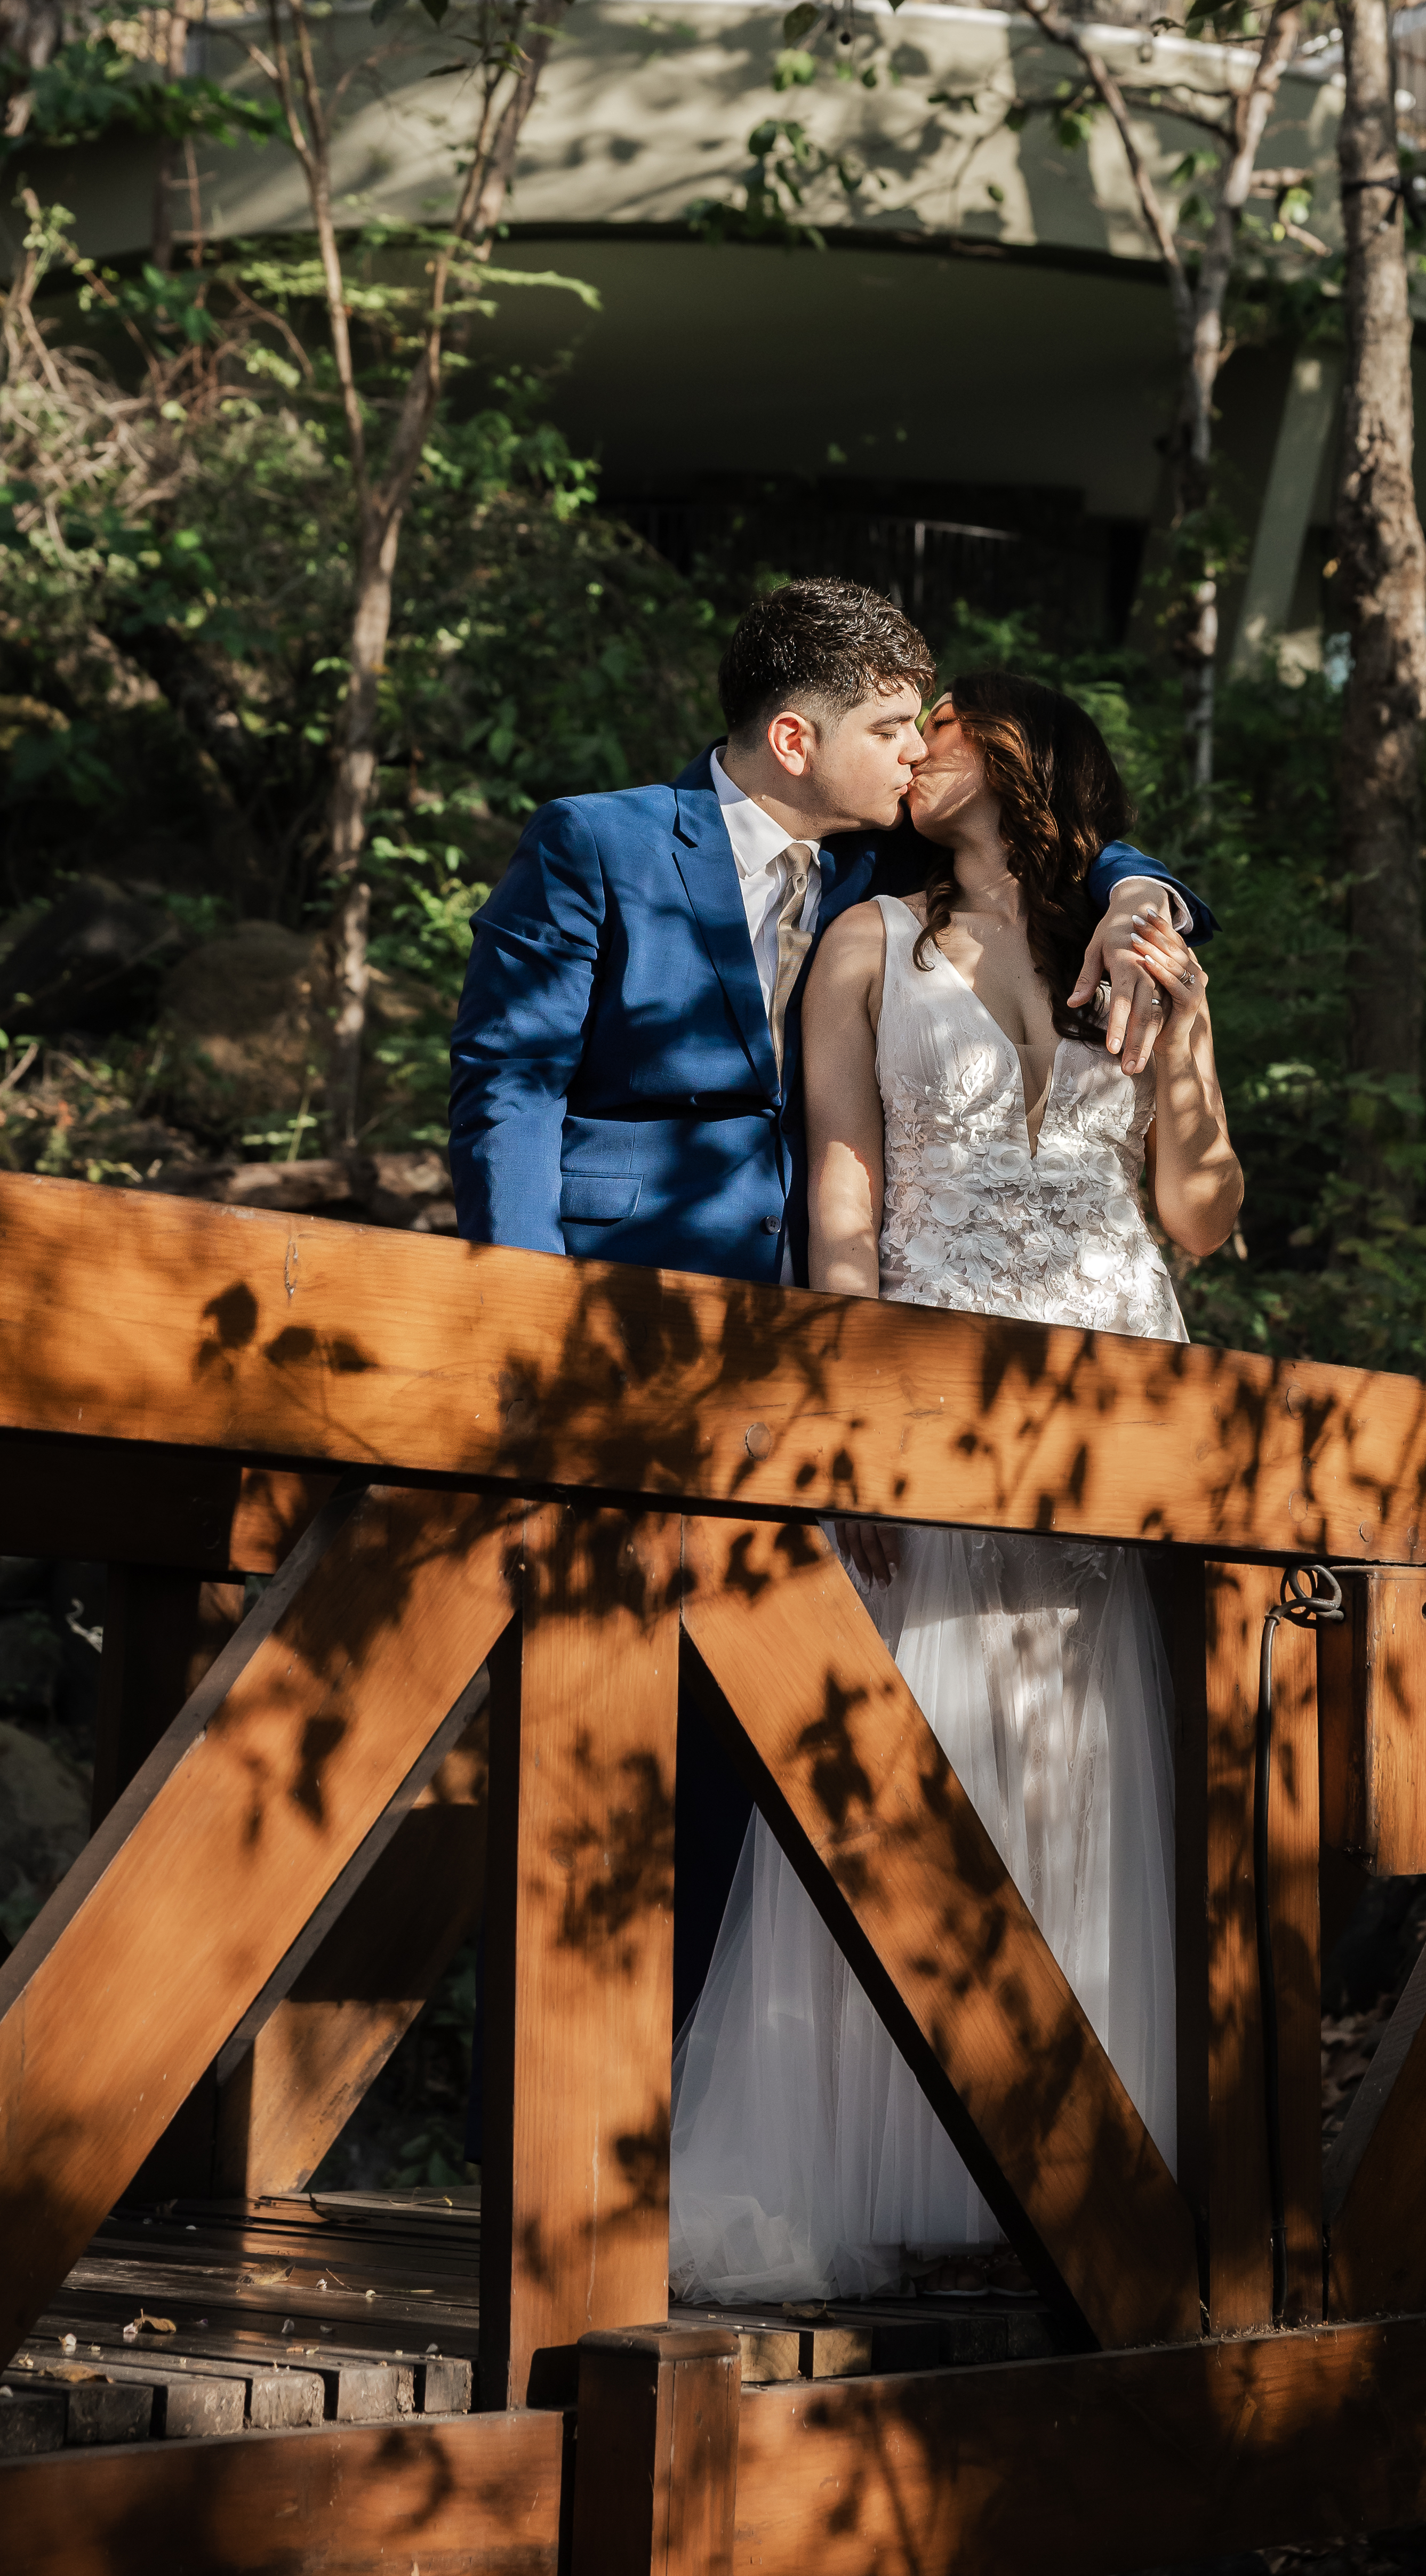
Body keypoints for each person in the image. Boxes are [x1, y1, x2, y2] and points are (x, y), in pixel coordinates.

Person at [447, 584, 1212, 2028]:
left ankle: (717, 2121)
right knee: (599, 1730)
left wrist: (1135, 894)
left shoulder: (880, 883)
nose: (920, 752)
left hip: (823, 1358)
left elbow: (1079, 826)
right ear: (797, 737)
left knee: (777, 1737)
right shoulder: (600, 841)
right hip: (627, 1329)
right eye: (890, 727)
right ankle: (571, 2143)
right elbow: (510, 1087)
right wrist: (523, 1316)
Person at [668, 671, 1243, 2304]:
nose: (913, 754)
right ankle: (887, 2159)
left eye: (944, 731)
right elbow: (841, 1196)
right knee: (922, 1750)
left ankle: (1074, 2170)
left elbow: (1197, 1216)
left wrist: (1187, 1037)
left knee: (1082, 1765)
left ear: (1022, 751)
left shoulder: (1132, 946)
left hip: (1123, 1404)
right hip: (934, 1396)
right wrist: (850, 1418)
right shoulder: (870, 943)